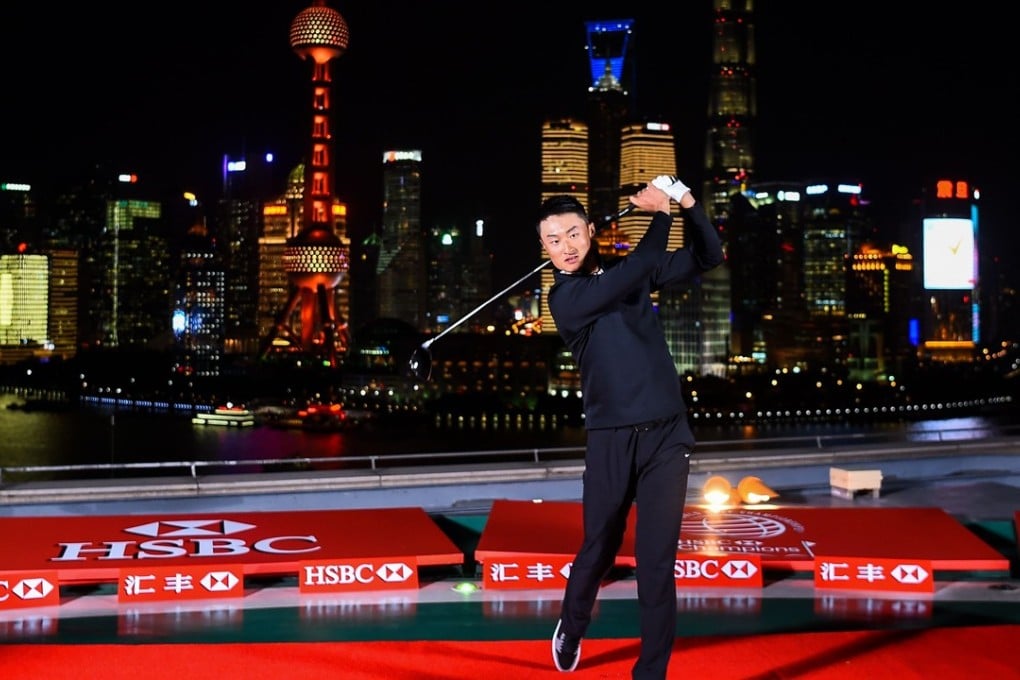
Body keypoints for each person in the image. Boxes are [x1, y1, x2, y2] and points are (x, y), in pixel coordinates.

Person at [538, 176, 724, 679]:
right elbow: (638, 267)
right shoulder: (567, 301)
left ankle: (650, 675)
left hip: (667, 434)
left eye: (573, 234)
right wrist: (659, 213)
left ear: (592, 231)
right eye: (553, 241)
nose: (565, 247)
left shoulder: (628, 273)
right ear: (544, 250)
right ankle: (572, 627)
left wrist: (686, 203)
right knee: (599, 545)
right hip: (611, 439)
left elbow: (709, 255)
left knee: (657, 565)